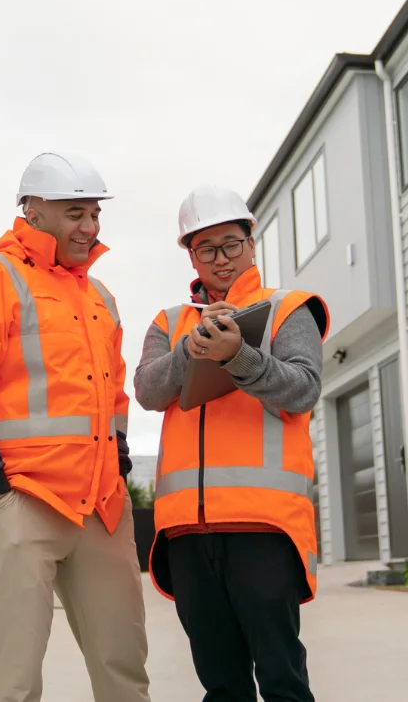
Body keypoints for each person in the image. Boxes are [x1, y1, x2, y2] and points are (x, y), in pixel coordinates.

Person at [0, 151, 151, 702]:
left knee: (123, 668)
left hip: (100, 505)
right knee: (15, 678)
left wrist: (118, 467)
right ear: (33, 210)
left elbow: (115, 393)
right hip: (22, 498)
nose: (90, 227)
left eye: (95, 215)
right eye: (76, 213)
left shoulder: (100, 297)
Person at [134, 185, 329, 702]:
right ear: (190, 253)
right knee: (220, 682)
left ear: (251, 240)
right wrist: (189, 352)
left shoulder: (288, 309)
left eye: (230, 244)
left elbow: (304, 389)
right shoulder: (170, 322)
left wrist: (238, 355)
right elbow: (149, 391)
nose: (220, 259)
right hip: (187, 530)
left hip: (263, 524)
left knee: (282, 676)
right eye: (206, 249)